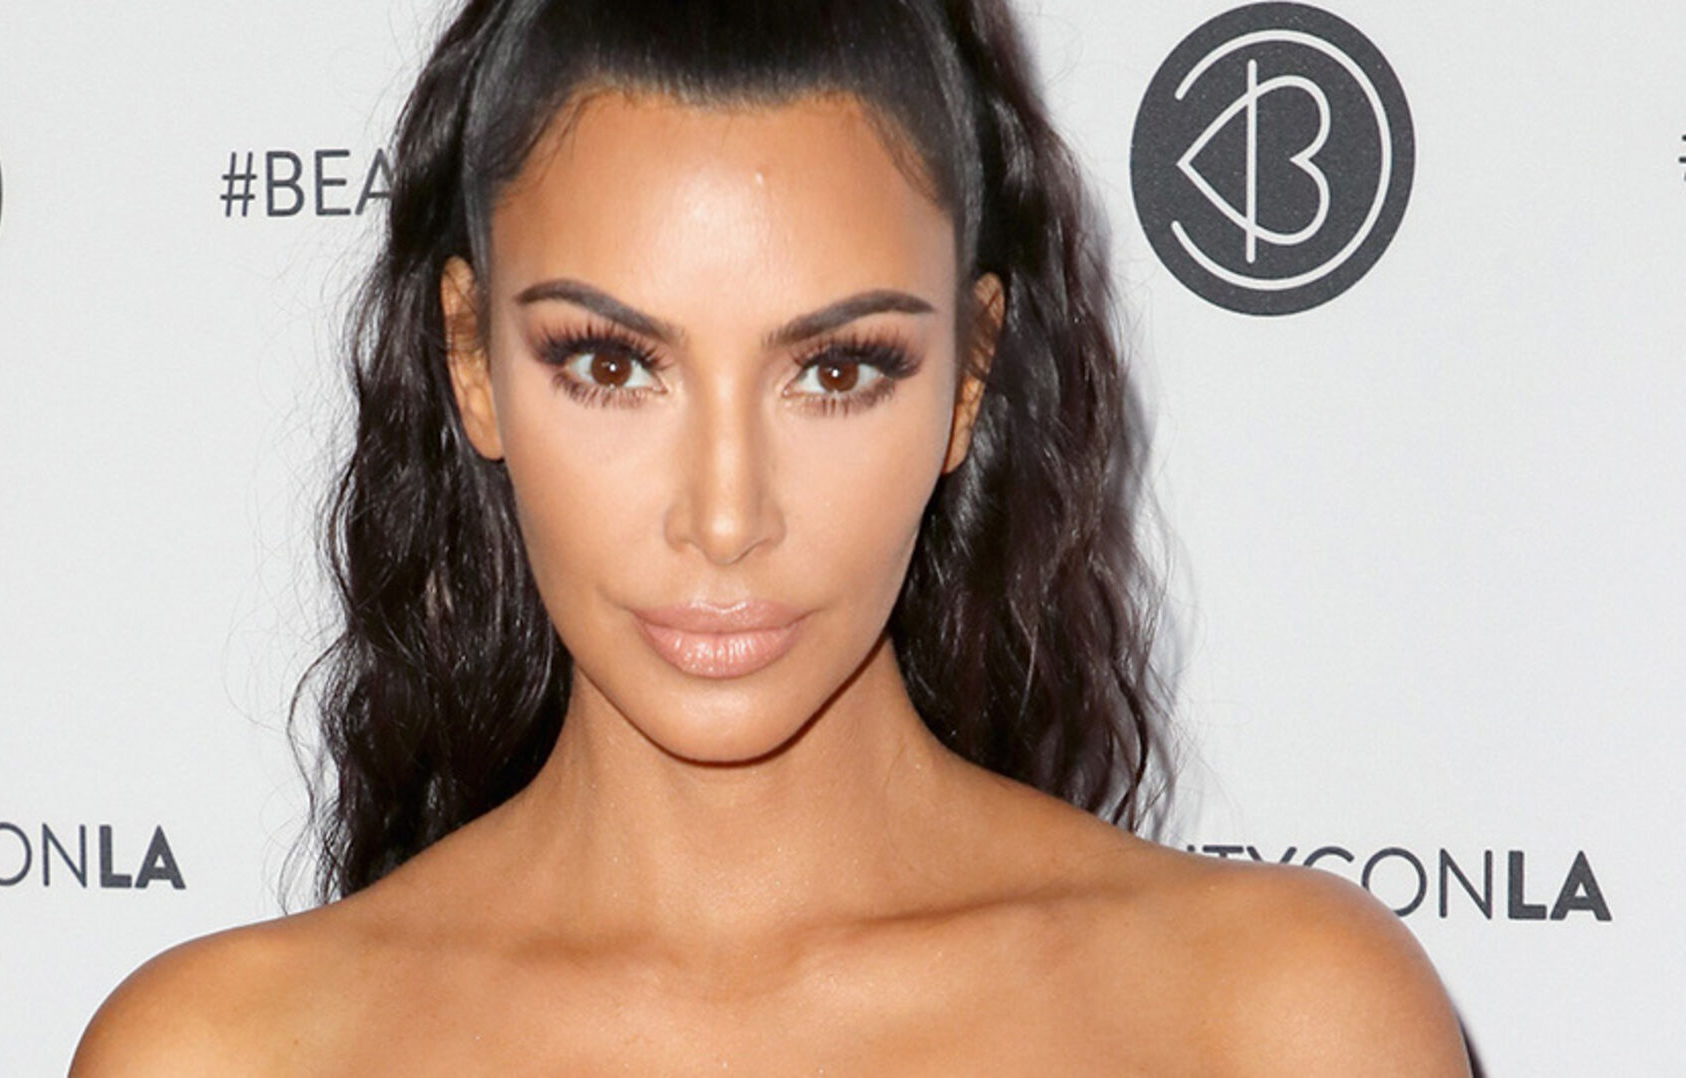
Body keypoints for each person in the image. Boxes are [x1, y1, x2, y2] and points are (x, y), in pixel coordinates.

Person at [72, 0, 1473, 1072]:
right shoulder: (224, 1052)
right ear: (474, 362)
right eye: (611, 364)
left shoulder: (1279, 1024)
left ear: (969, 378)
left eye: (839, 369)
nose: (727, 517)